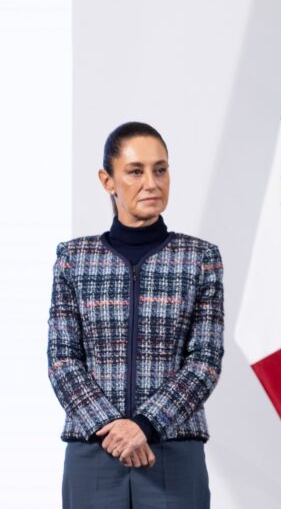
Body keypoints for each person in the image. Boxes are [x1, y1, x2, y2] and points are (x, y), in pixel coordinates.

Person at [48, 122, 224, 507]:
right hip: (94, 451)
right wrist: (110, 427)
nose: (151, 183)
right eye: (135, 171)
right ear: (107, 180)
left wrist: (146, 425)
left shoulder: (199, 259)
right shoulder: (74, 259)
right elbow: (62, 359)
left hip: (173, 450)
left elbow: (205, 360)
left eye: (160, 170)